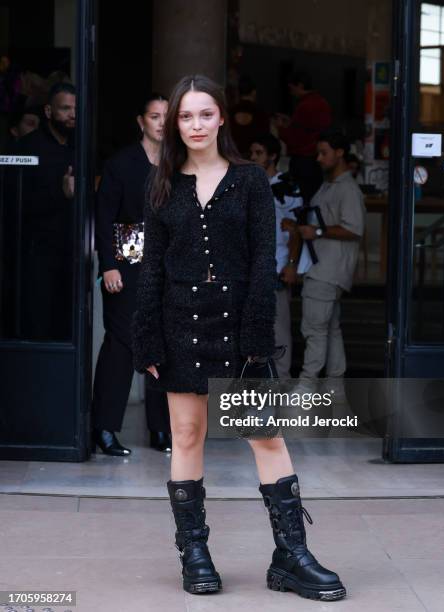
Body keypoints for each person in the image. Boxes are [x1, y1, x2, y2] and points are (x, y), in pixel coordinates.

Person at [132, 74, 346, 602]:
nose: (196, 124)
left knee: (266, 437)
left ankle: (292, 556)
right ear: (175, 124)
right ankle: (195, 555)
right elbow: (152, 269)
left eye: (206, 114)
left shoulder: (250, 180)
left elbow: (261, 263)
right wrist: (147, 338)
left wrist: (256, 337)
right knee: (186, 437)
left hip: (237, 327)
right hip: (180, 323)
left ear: (222, 118)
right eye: (186, 116)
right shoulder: (161, 184)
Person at [92, 93, 172, 456]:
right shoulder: (121, 163)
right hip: (125, 265)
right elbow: (104, 216)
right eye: (154, 116)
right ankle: (104, 428)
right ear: (141, 121)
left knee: (163, 347)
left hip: (168, 268)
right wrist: (107, 264)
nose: (160, 122)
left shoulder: (179, 163)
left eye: (166, 117)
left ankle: (161, 430)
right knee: (122, 345)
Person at [297, 130, 365, 395]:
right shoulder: (330, 185)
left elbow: (355, 228)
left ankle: (307, 384)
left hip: (328, 269)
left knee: (314, 328)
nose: (319, 158)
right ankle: (335, 385)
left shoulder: (347, 189)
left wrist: (318, 232)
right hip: (325, 268)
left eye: (324, 152)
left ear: (339, 153)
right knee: (330, 328)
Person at [14, 81, 76, 341]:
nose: (72, 114)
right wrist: (59, 194)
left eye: (75, 108)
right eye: (65, 108)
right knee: (39, 323)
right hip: (37, 253)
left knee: (68, 324)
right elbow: (18, 203)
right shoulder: (28, 147)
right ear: (49, 112)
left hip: (73, 252)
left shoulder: (80, 147)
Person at [250, 132, 311, 378]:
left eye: (259, 153)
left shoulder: (288, 186)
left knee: (279, 328)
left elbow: (296, 229)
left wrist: (292, 265)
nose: (253, 157)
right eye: (251, 153)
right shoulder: (249, 183)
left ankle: (282, 380)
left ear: (272, 156)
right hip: (253, 266)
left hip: (278, 264)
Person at [275, 71, 332, 204]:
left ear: (300, 86)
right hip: (316, 159)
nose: (291, 92)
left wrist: (280, 128)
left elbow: (295, 138)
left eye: (292, 88)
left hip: (303, 160)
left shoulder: (304, 106)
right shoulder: (322, 102)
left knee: (300, 201)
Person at [229, 75, 270, 158]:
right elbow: (265, 137)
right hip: (255, 157)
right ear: (254, 92)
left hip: (233, 156)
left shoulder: (230, 112)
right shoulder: (260, 113)